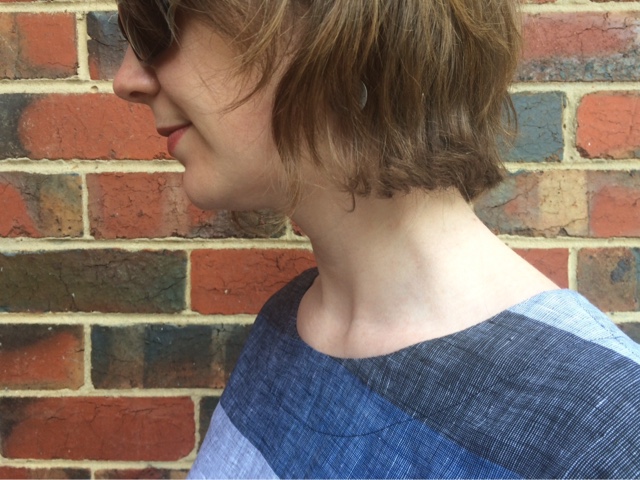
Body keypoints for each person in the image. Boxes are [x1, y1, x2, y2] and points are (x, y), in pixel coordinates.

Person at [113, 0, 640, 477]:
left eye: (156, 26)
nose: (126, 79)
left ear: (338, 24)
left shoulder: (606, 434)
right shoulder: (287, 323)